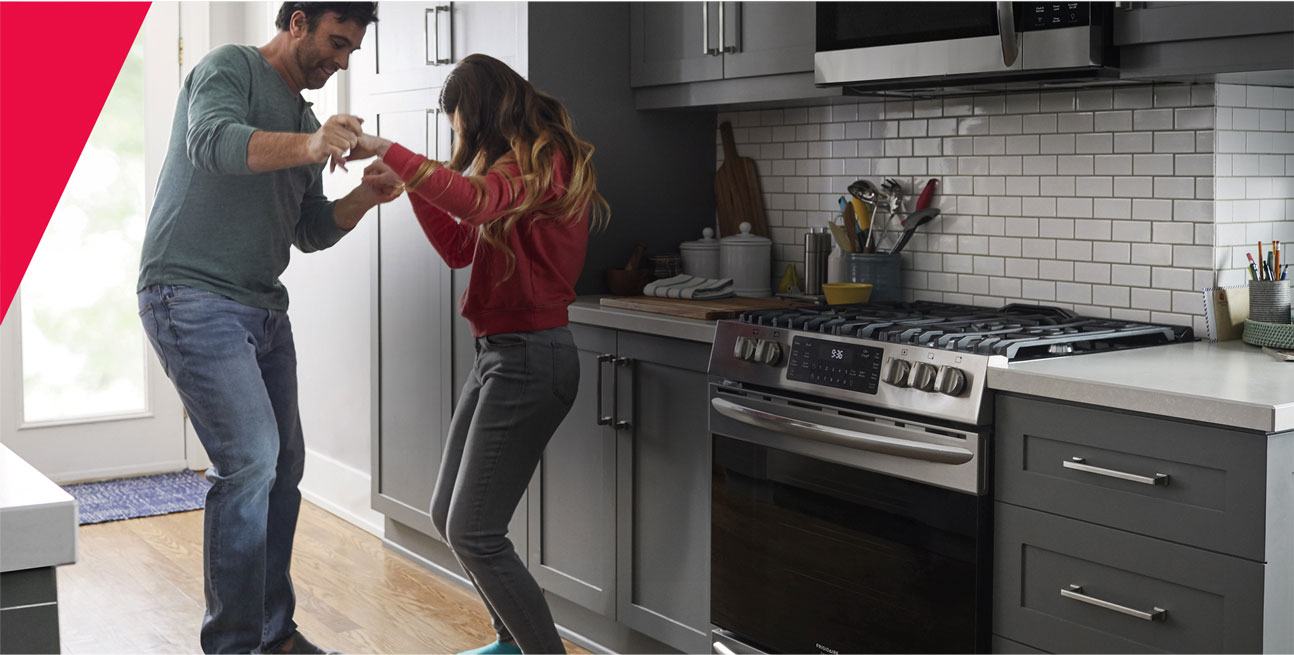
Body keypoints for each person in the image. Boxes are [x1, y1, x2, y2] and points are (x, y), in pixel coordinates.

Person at [135, 3, 390, 653]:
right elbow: (212, 144)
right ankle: (235, 645)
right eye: (337, 42)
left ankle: (274, 636)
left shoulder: (305, 121)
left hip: (264, 308)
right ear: (297, 22)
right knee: (250, 459)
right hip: (189, 292)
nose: (342, 61)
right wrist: (315, 144)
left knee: (283, 466)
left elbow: (308, 230)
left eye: (352, 50)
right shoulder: (231, 68)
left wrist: (365, 195)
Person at [359, 53, 609, 655]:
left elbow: (473, 203)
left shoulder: (546, 160)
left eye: (462, 129)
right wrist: (411, 186)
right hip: (500, 355)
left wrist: (391, 150)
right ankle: (510, 643)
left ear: (484, 114)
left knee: (474, 529)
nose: (462, 144)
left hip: (531, 358)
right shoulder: (510, 170)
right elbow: (458, 246)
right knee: (449, 514)